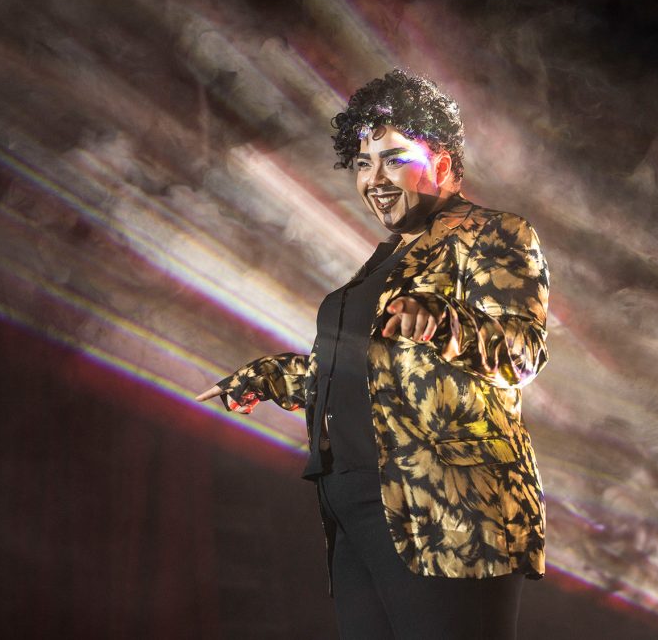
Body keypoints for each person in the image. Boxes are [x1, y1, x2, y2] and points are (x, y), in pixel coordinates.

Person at [197, 70, 549, 639]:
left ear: (445, 161)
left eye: (393, 159)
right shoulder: (386, 258)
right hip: (354, 501)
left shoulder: (492, 233)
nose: (374, 179)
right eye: (363, 163)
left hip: (444, 509)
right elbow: (364, 370)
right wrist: (263, 378)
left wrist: (443, 322)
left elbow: (522, 353)